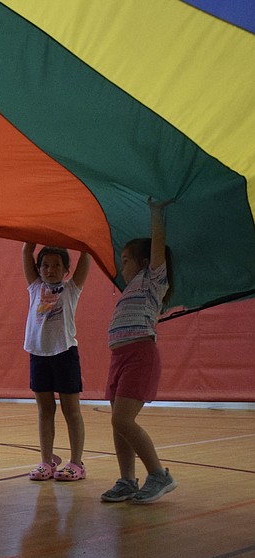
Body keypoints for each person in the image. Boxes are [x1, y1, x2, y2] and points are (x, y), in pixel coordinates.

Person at [101, 200, 177, 504]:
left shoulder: (151, 281)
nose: (123, 267)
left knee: (122, 421)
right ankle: (127, 480)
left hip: (140, 356)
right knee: (118, 423)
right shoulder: (130, 287)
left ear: (144, 263)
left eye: (126, 260)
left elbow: (158, 244)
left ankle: (159, 475)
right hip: (119, 358)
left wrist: (156, 213)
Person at [22, 243, 90, 481]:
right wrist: (34, 233)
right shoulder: (35, 288)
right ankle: (46, 461)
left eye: (56, 265)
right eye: (46, 265)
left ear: (66, 270)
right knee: (45, 411)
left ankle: (76, 463)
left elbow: (86, 257)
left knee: (71, 411)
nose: (50, 270)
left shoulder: (71, 289)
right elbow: (25, 252)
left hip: (64, 354)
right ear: (39, 269)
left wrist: (82, 241)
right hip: (39, 354)